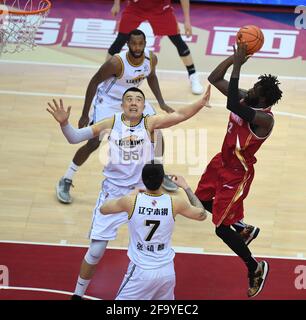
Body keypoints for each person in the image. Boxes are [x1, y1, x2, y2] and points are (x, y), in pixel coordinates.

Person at [46, 85, 211, 300]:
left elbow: (179, 115)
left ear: (144, 106)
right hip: (113, 193)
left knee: (149, 244)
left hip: (141, 195)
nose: (134, 102)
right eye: (129, 99)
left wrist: (199, 103)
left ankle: (149, 281)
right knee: (95, 252)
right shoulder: (110, 123)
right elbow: (74, 138)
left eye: (138, 99)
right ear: (122, 105)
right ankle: (77, 295)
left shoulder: (150, 123)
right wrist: (64, 123)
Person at [195, 42, 282, 298]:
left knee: (220, 228)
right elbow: (214, 78)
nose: (252, 88)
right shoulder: (245, 96)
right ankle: (243, 227)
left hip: (237, 174)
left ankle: (254, 267)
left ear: (264, 99)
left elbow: (232, 104)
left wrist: (238, 67)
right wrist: (234, 59)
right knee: (200, 200)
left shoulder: (264, 119)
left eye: (256, 88)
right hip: (220, 162)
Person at [56, 30, 179, 205]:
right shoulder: (116, 62)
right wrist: (85, 113)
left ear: (145, 44)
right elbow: (94, 82)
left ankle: (157, 171)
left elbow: (152, 76)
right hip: (109, 101)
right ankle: (66, 178)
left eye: (140, 44)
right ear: (127, 44)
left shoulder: (151, 59)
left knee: (156, 133)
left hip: (133, 99)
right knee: (93, 142)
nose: (137, 47)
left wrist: (161, 102)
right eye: (134, 44)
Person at [100, 163, 207, 300]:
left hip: (141, 272)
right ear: (163, 180)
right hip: (166, 272)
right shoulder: (175, 202)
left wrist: (129, 194)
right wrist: (186, 187)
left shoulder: (130, 201)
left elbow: (103, 209)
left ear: (143, 180)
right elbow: (202, 214)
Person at [108, 0, 204, 95]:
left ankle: (193, 75)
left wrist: (187, 20)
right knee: (120, 40)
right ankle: (107, 77)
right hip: (136, 7)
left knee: (177, 40)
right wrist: (116, 4)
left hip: (160, 8)